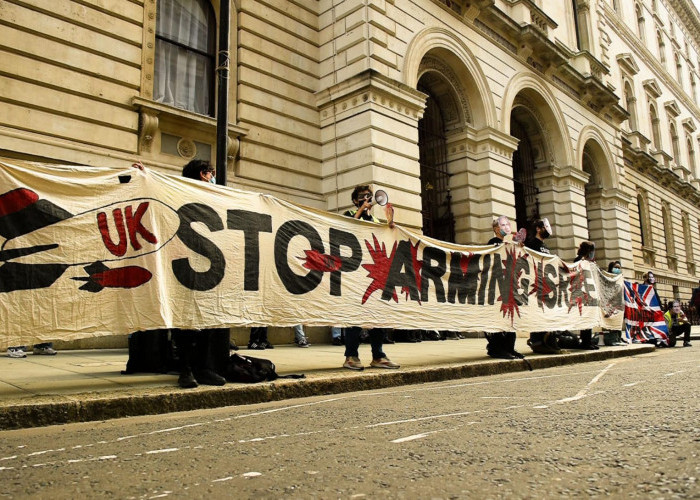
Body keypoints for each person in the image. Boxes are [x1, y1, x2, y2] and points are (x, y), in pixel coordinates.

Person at [171, 159, 229, 388]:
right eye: (211, 173)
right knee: (185, 321)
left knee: (207, 319)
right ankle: (185, 369)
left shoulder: (215, 197)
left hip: (209, 268)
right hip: (184, 266)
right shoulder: (178, 191)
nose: (213, 176)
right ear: (203, 174)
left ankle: (203, 368)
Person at [340, 185, 399, 370]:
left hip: (372, 274)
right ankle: (351, 356)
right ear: (355, 200)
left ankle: (378, 355)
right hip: (354, 273)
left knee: (377, 316)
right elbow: (347, 230)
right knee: (354, 317)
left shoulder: (373, 219)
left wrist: (389, 224)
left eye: (369, 196)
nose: (367, 199)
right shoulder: (349, 213)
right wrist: (360, 210)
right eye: (362, 196)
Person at [484, 215, 524, 359]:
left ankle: (509, 348)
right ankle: (497, 348)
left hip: (508, 285)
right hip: (498, 286)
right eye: (502, 225)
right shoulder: (493, 242)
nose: (506, 227)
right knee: (501, 319)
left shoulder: (506, 243)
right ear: (495, 229)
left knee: (510, 319)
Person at [524, 218, 560, 354]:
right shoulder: (533, 243)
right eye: (544, 227)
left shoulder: (545, 246)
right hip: (536, 283)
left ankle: (547, 340)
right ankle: (537, 341)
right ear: (538, 229)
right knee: (537, 312)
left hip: (546, 284)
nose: (547, 230)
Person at [572, 241, 598, 350]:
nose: (593, 253)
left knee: (589, 316)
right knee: (585, 317)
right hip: (581, 292)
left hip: (589, 292)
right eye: (592, 251)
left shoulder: (590, 262)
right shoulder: (578, 260)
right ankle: (585, 342)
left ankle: (588, 341)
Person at [603, 261, 624, 346]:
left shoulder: (620, 279)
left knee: (618, 322)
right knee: (610, 322)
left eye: (619, 268)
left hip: (618, 305)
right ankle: (610, 339)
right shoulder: (607, 278)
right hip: (610, 304)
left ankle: (618, 338)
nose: (617, 269)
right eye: (616, 267)